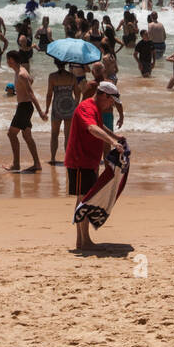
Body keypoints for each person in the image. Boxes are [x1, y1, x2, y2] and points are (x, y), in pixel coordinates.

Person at [66, 81, 124, 251]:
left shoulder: (95, 108)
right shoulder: (86, 107)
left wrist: (114, 136)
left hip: (88, 161)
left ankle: (81, 241)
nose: (111, 105)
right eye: (111, 101)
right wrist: (112, 142)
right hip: (79, 161)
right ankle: (85, 241)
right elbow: (92, 128)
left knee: (84, 199)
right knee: (84, 200)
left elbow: (98, 124)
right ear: (104, 95)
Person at [4, 50, 46, 172]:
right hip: (24, 107)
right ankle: (37, 164)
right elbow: (31, 80)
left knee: (11, 134)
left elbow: (31, 94)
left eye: (8, 59)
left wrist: (41, 112)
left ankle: (16, 164)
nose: (7, 62)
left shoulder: (21, 74)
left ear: (12, 60)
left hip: (25, 107)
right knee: (27, 136)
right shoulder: (20, 72)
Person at [45, 59, 80, 165]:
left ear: (55, 63)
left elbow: (49, 94)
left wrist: (47, 108)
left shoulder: (52, 76)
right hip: (70, 107)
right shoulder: (72, 77)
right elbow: (77, 94)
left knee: (54, 134)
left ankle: (53, 158)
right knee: (68, 135)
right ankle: (67, 158)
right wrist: (76, 105)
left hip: (57, 107)